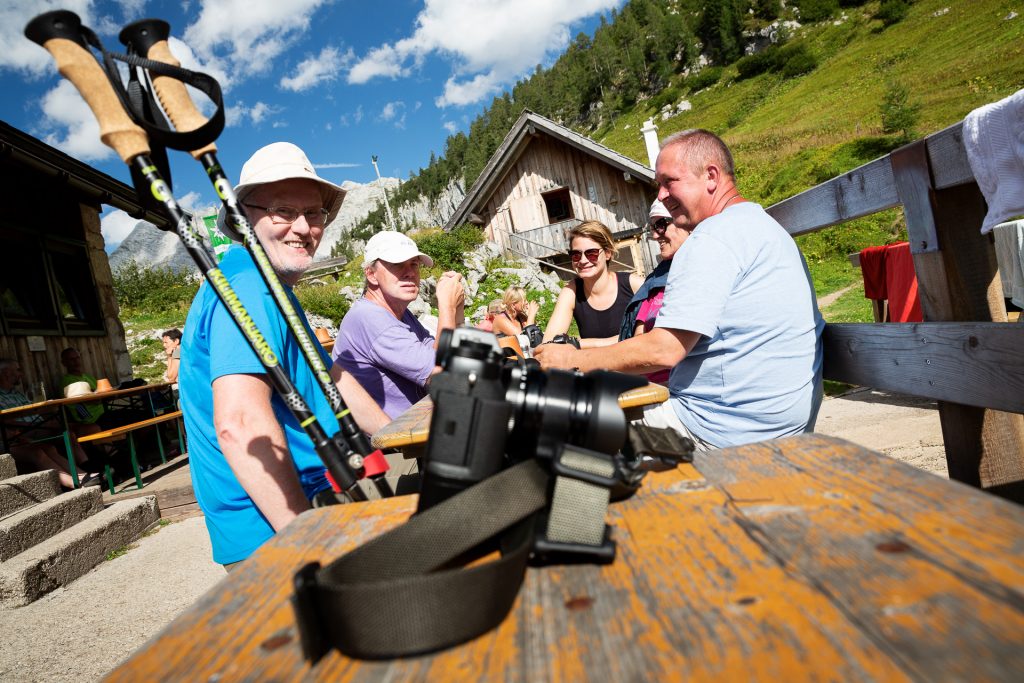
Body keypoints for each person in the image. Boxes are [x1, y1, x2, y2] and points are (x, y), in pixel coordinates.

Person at [535, 129, 824, 452]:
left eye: (669, 181)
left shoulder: (712, 238)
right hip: (775, 424)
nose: (660, 195)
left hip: (718, 431)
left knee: (546, 422)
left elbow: (665, 350)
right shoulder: (760, 226)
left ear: (710, 176)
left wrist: (575, 360)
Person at [179, 142, 391, 569]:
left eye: (314, 214)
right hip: (278, 526)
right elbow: (239, 423)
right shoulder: (247, 288)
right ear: (244, 218)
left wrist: (395, 434)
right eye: (283, 212)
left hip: (320, 491)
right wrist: (304, 540)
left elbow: (332, 376)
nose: (302, 227)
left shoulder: (272, 287)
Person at [332, 230, 465, 420]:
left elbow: (446, 357)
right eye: (397, 265)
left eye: (414, 264)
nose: (410, 273)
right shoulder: (370, 319)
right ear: (370, 274)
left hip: (416, 428)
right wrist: (446, 306)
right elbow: (442, 375)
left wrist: (456, 310)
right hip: (393, 444)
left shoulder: (398, 314)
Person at [616, 199, 686, 384]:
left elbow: (665, 350)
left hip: (685, 386)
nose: (655, 235)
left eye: (661, 224)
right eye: (652, 227)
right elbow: (639, 337)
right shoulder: (654, 282)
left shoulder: (700, 272)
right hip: (651, 382)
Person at [0, 358, 99, 488]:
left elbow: (33, 411)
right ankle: (76, 482)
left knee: (64, 436)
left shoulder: (16, 393)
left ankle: (83, 473)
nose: (21, 373)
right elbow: (7, 423)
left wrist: (47, 412)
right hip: (18, 435)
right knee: (40, 450)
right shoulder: (1, 395)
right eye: (18, 370)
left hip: (34, 428)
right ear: (6, 373)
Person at [542, 221, 643, 348]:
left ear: (608, 253)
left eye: (592, 253)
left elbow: (652, 335)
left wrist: (578, 343)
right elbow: (549, 344)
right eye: (576, 255)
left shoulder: (635, 285)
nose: (583, 261)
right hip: (596, 366)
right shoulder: (571, 291)